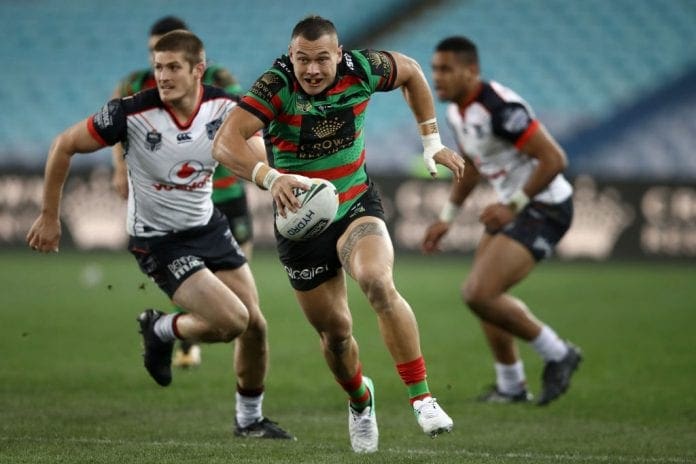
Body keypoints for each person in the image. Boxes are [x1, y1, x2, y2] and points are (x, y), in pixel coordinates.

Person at [213, 15, 465, 453]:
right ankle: (360, 401)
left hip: (354, 204)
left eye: (321, 59)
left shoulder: (363, 68)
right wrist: (271, 178)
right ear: (290, 56)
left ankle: (422, 398)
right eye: (302, 59)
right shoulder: (275, 86)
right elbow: (225, 142)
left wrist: (431, 142)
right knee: (336, 336)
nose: (311, 70)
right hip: (301, 224)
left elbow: (411, 72)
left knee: (377, 281)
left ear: (339, 54)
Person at [26, 30, 293, 439]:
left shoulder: (226, 108)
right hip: (158, 240)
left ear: (198, 69)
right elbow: (64, 144)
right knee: (234, 320)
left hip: (207, 226)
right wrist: (49, 216)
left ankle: (249, 420)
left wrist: (275, 178)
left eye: (173, 67)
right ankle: (161, 329)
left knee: (256, 325)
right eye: (158, 68)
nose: (163, 76)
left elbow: (256, 151)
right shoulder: (130, 113)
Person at [421, 36, 582, 406]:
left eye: (446, 69)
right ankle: (511, 386)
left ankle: (559, 353)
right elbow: (472, 166)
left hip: (545, 207)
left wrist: (513, 204)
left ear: (471, 71)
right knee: (483, 296)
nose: (437, 77)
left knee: (479, 293)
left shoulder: (499, 108)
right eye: (434, 69)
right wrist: (447, 217)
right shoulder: (456, 112)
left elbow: (554, 159)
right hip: (517, 206)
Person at [111, 15, 252, 368]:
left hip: (225, 191)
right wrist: (120, 169)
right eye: (153, 54)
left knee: (243, 300)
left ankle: (228, 346)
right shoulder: (137, 86)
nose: (157, 63)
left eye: (170, 59)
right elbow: (116, 127)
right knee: (191, 277)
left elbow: (242, 123)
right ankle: (184, 336)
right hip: (174, 203)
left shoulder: (219, 80)